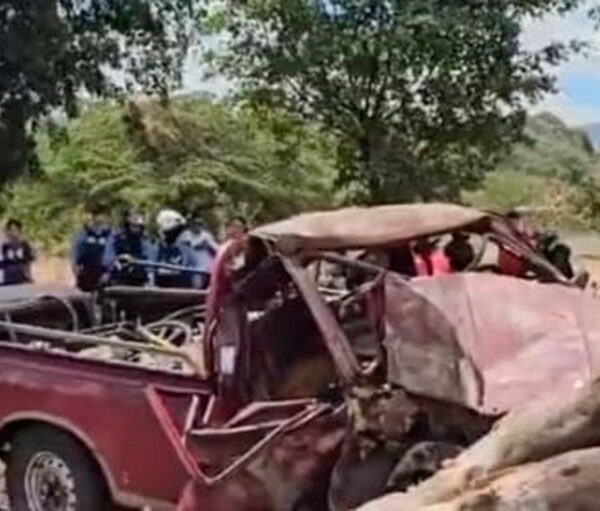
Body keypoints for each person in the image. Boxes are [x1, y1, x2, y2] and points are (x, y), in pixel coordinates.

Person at [104, 210, 155, 286]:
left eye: (139, 226)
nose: (136, 229)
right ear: (127, 225)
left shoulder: (144, 239)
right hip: (119, 277)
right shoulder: (116, 238)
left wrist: (150, 274)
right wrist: (113, 264)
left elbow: (149, 258)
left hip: (139, 279)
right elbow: (108, 257)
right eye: (134, 226)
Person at [154, 209, 198, 288]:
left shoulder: (184, 244)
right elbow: (156, 268)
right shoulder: (162, 246)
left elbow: (185, 270)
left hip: (181, 289)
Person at [71, 206, 112, 291]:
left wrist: (108, 272)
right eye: (99, 216)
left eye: (104, 216)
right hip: (87, 271)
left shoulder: (111, 235)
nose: (101, 219)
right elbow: (76, 251)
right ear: (94, 217)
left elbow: (113, 255)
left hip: (104, 272)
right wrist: (75, 266)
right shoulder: (84, 234)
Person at [179, 212, 218, 289]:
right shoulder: (184, 236)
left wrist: (208, 245)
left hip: (207, 268)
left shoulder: (206, 236)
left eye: (200, 224)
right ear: (191, 224)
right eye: (195, 223)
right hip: (193, 268)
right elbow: (185, 247)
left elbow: (216, 248)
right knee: (196, 285)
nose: (198, 226)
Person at [1, 219, 35, 286]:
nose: (12, 233)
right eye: (10, 230)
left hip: (22, 279)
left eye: (15, 230)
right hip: (8, 280)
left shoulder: (25, 246)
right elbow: (3, 264)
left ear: (19, 231)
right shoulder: (5, 247)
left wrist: (28, 277)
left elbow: (28, 263)